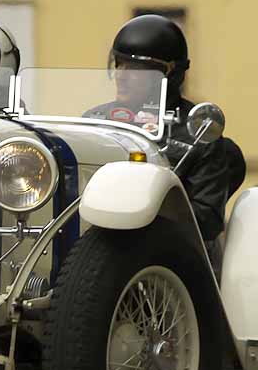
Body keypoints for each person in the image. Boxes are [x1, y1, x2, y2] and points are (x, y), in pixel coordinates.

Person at [86, 14, 246, 242]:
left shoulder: (198, 132)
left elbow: (207, 219)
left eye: (136, 69)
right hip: (92, 243)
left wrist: (152, 210)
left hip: (167, 256)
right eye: (119, 65)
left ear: (169, 75)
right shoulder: (95, 121)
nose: (121, 76)